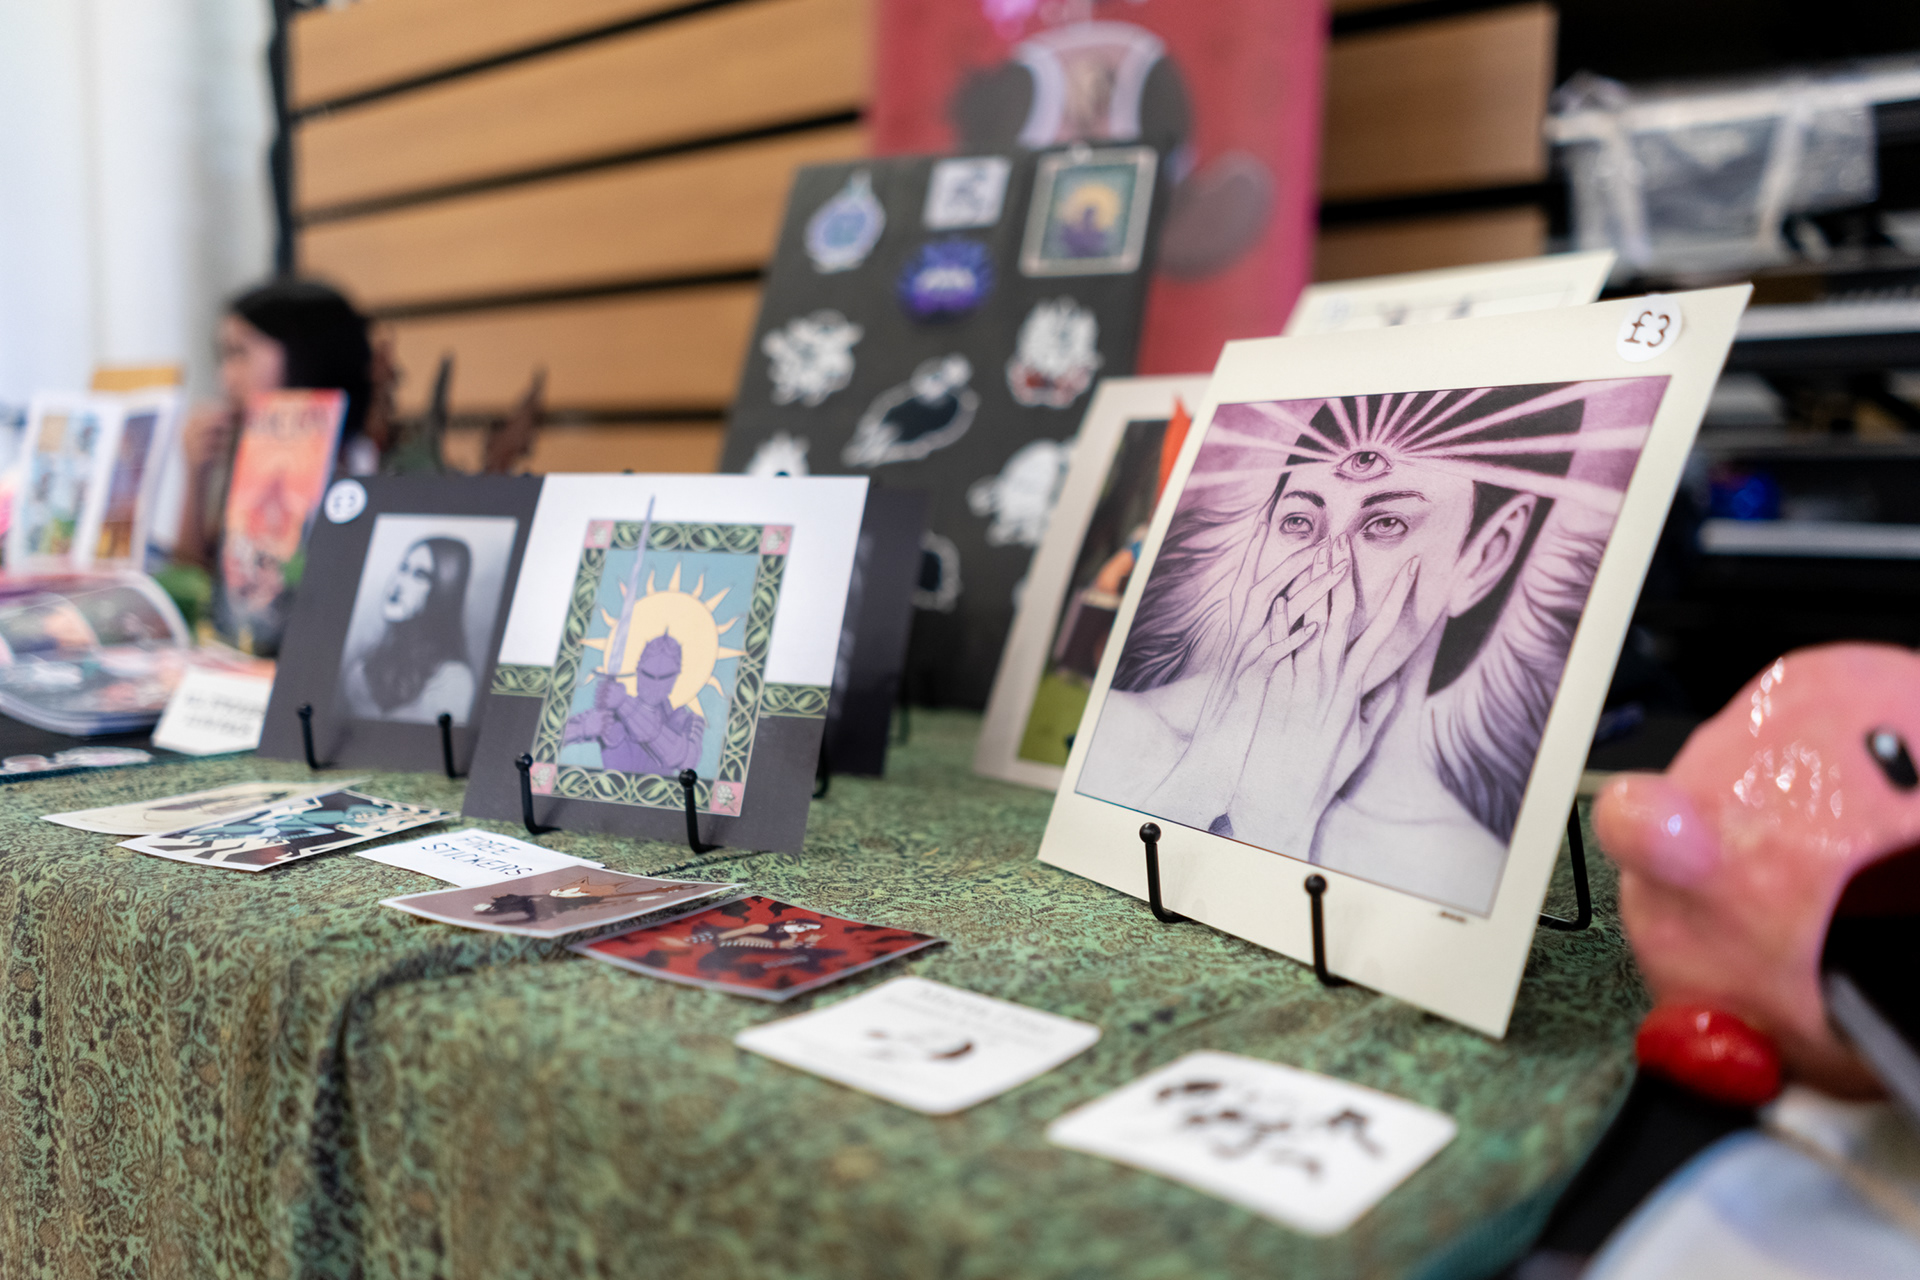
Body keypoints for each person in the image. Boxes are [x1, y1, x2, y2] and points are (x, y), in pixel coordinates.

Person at [1078, 382, 1643, 912]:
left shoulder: (1463, 869)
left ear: (1487, 553)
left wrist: (1280, 820)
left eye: (1386, 524)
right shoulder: (1117, 732)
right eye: (1298, 521)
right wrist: (1212, 761)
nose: (1320, 571)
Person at [176, 279, 385, 570]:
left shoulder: (375, 462)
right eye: (223, 357)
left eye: (239, 353)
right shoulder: (245, 457)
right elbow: (193, 580)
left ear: (305, 353)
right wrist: (196, 476)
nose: (226, 379)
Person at [340, 536, 477, 724]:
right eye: (403, 568)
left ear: (443, 590)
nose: (399, 583)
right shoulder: (361, 669)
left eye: (419, 575)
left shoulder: (452, 680)